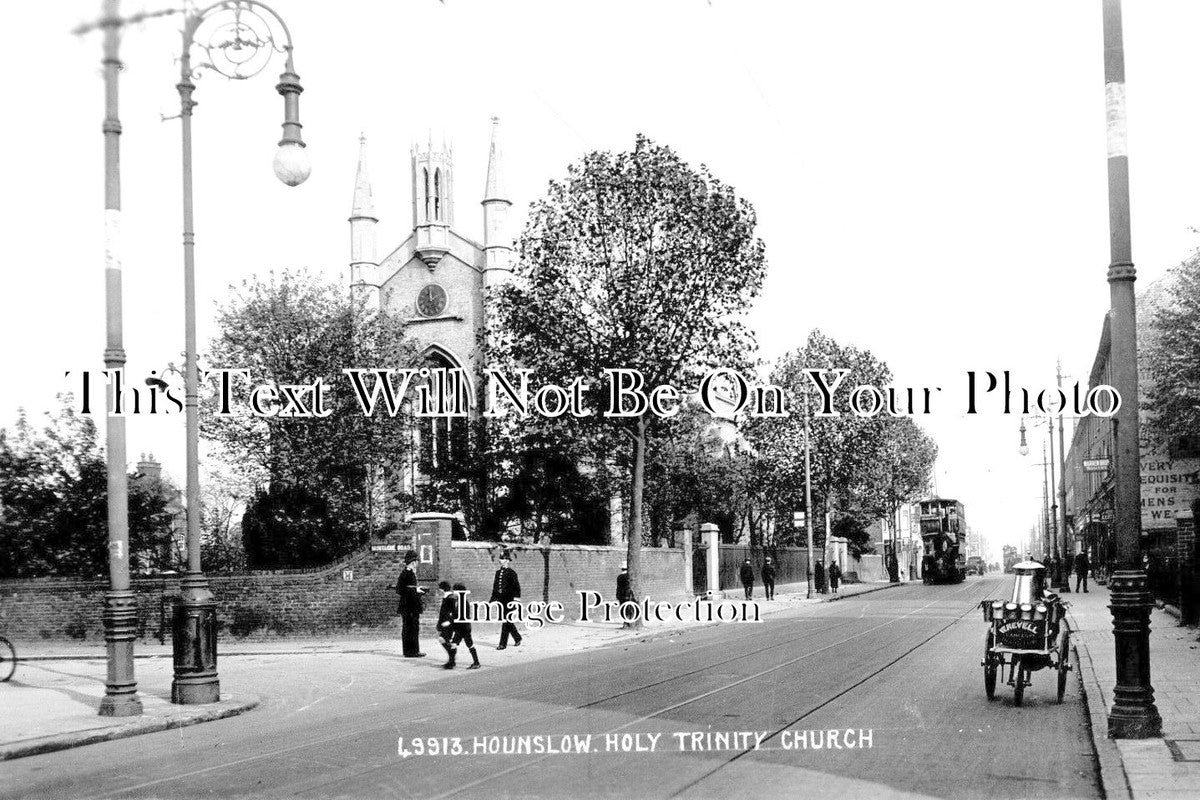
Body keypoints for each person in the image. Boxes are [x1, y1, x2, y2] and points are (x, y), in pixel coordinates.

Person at [437, 582, 481, 670]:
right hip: (461, 627)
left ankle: (476, 662)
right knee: (456, 644)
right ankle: (452, 663)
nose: (454, 593)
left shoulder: (463, 603)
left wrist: (449, 623)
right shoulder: (460, 601)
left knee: (469, 644)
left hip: (463, 627)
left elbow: (459, 616)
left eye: (456, 591)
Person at [395, 550, 426, 657]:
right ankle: (410, 651)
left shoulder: (410, 573)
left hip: (411, 606)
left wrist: (417, 589)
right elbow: (399, 589)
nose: (417, 563)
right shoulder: (406, 573)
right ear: (413, 562)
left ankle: (413, 651)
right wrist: (416, 591)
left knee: (413, 628)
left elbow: (407, 588)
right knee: (410, 628)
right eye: (417, 561)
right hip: (409, 607)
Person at [491, 551, 522, 649]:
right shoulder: (498, 573)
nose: (501, 561)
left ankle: (502, 644)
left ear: (508, 560)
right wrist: (492, 599)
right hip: (501, 601)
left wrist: (516, 601)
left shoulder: (511, 573)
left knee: (506, 622)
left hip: (509, 600)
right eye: (500, 558)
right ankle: (517, 637)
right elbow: (495, 587)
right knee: (508, 621)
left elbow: (517, 588)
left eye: (503, 559)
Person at [616, 563, 635, 628]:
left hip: (621, 595)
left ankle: (625, 620)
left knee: (623, 608)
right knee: (629, 608)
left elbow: (618, 587)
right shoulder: (628, 576)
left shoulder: (619, 576)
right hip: (627, 595)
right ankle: (629, 620)